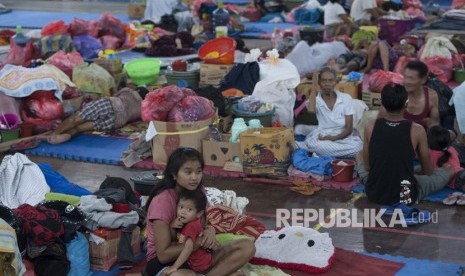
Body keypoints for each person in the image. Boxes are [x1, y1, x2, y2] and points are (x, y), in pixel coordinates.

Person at [143, 147, 255, 276]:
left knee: (247, 246)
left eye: (198, 171)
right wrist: (196, 243)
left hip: (196, 258)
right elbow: (163, 255)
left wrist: (210, 231)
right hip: (166, 263)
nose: (194, 177)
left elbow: (202, 226)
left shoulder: (198, 193)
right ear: (174, 174)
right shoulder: (162, 201)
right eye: (188, 172)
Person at [358, 84, 454, 205]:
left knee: (359, 155)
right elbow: (428, 171)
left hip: (374, 193)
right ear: (406, 104)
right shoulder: (418, 130)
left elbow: (367, 167)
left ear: (382, 103)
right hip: (406, 195)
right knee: (450, 169)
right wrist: (412, 170)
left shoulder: (370, 126)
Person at [298, 67, 363, 158]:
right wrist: (313, 87)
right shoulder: (316, 100)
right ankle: (331, 153)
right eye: (324, 81)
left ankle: (321, 153)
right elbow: (311, 109)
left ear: (335, 82)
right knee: (313, 144)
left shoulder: (345, 98)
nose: (327, 84)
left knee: (358, 147)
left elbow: (349, 129)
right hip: (323, 137)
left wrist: (333, 138)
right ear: (319, 83)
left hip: (343, 137)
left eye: (331, 80)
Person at [46, 87, 146, 144]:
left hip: (111, 105)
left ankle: (55, 134)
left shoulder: (129, 91)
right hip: (118, 121)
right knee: (79, 129)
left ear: (137, 91)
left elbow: (114, 95)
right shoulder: (142, 108)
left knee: (75, 119)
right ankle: (63, 136)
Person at [378, 60, 440, 130]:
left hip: (420, 138)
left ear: (424, 79)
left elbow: (435, 124)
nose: (406, 81)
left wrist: (430, 124)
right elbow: (380, 123)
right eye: (405, 77)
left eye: (411, 78)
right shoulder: (395, 93)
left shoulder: (432, 96)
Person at [164, 190, 211, 275]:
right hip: (192, 260)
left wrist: (174, 267)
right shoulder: (185, 222)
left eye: (189, 209)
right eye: (181, 207)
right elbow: (175, 239)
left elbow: (188, 248)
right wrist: (172, 226)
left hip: (197, 264)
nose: (183, 212)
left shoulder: (191, 226)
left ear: (199, 213)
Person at [427, 125, 465, 190]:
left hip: (455, 179)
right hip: (460, 174)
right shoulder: (452, 149)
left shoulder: (430, 153)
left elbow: (431, 171)